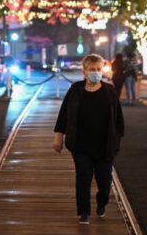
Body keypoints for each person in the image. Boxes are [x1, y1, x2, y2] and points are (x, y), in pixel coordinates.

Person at [54, 53, 124, 225]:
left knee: (104, 180)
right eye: (91, 69)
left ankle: (102, 202)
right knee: (83, 177)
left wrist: (116, 140)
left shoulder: (109, 91)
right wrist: (58, 137)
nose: (95, 72)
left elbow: (118, 120)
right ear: (84, 72)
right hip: (80, 144)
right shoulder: (76, 90)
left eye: (98, 69)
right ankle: (83, 212)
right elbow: (64, 114)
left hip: (104, 145)